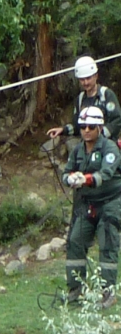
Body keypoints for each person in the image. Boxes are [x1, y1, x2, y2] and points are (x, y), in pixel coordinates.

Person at [62, 106, 121, 306]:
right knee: (75, 242)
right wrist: (70, 178)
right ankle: (75, 289)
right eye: (83, 126)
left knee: (108, 245)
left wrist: (85, 179)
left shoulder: (110, 148)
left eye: (91, 126)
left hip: (110, 202)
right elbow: (66, 172)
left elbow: (106, 174)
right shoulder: (78, 150)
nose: (86, 130)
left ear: (99, 127)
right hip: (87, 204)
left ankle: (109, 293)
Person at [47, 56, 121, 141]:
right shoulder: (80, 99)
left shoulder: (106, 95)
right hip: (86, 149)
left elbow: (117, 121)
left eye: (88, 78)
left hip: (107, 146)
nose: (85, 82)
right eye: (82, 79)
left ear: (96, 76)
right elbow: (77, 126)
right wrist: (63, 130)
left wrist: (99, 134)